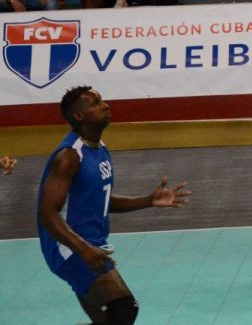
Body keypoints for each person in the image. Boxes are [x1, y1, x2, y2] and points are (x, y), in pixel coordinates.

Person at [37, 86, 190, 324]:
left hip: (90, 246)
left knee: (106, 320)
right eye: (96, 103)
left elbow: (99, 200)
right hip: (69, 248)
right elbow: (47, 213)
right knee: (124, 308)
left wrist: (148, 200)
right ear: (79, 116)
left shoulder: (98, 148)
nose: (105, 105)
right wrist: (83, 248)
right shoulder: (69, 156)